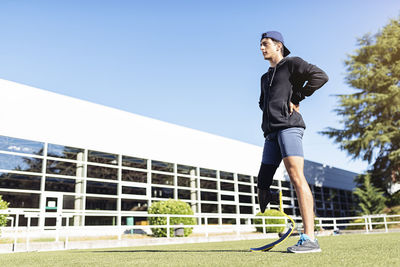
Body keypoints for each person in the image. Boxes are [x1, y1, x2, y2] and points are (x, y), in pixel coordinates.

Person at [257, 31, 328, 253]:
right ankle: (270, 200)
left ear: (278, 45)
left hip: (289, 128)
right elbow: (263, 102)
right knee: (262, 184)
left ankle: (310, 238)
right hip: (271, 134)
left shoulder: (291, 64)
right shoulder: (265, 78)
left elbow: (320, 76)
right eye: (260, 45)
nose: (261, 48)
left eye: (265, 44)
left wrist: (297, 97)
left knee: (297, 178)